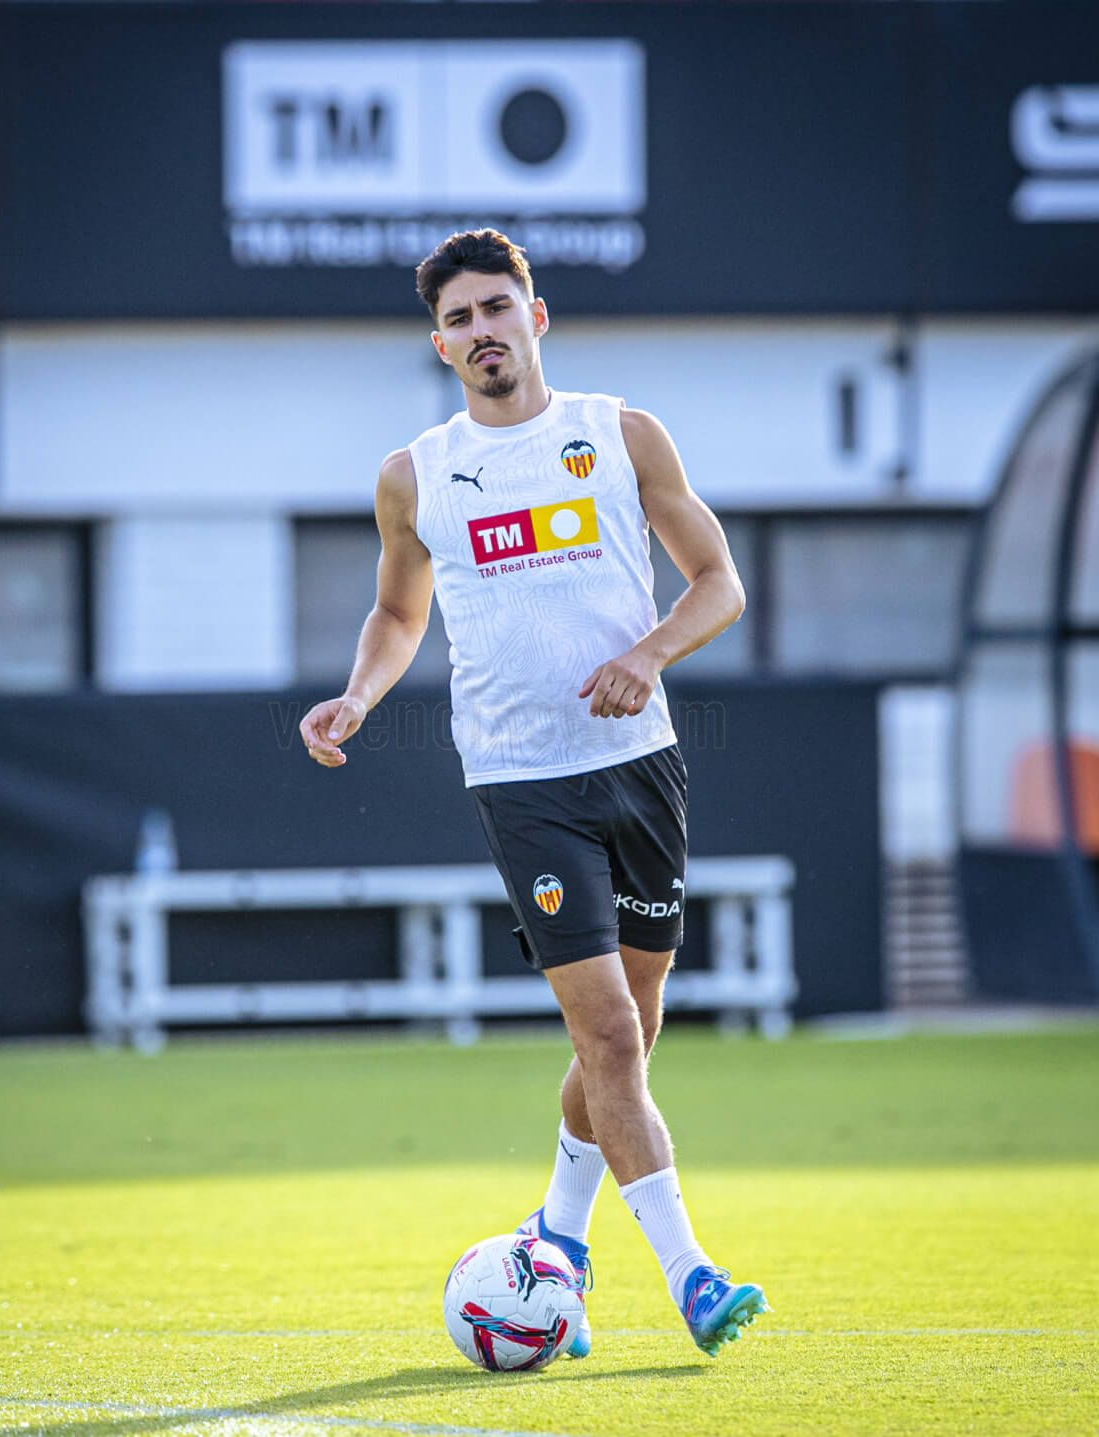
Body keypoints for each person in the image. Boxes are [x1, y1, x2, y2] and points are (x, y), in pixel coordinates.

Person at [300, 229, 770, 1359]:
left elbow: (721, 584)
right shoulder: (415, 474)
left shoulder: (619, 435)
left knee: (633, 1034)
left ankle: (557, 1235)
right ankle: (693, 1277)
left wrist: (648, 656)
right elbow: (400, 613)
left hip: (642, 766)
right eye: (458, 320)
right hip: (522, 781)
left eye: (495, 310)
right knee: (606, 1031)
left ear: (536, 315)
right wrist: (359, 695)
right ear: (440, 344)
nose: (481, 334)